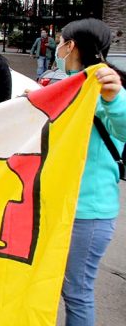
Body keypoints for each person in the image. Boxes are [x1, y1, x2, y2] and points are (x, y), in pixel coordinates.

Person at [54, 18, 125, 326]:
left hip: (89, 214)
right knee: (60, 286)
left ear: (70, 46)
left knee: (77, 292)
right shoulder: (71, 86)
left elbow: (122, 128)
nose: (57, 47)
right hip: (62, 208)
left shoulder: (104, 90)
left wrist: (115, 99)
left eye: (60, 41)